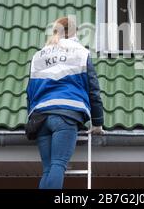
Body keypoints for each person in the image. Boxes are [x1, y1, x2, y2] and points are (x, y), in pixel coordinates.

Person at [26, 16, 104, 189]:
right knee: (58, 165)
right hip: (66, 113)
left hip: (40, 117)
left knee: (47, 170)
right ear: (75, 32)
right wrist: (97, 123)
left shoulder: (38, 55)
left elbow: (29, 93)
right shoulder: (81, 52)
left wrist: (31, 120)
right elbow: (93, 90)